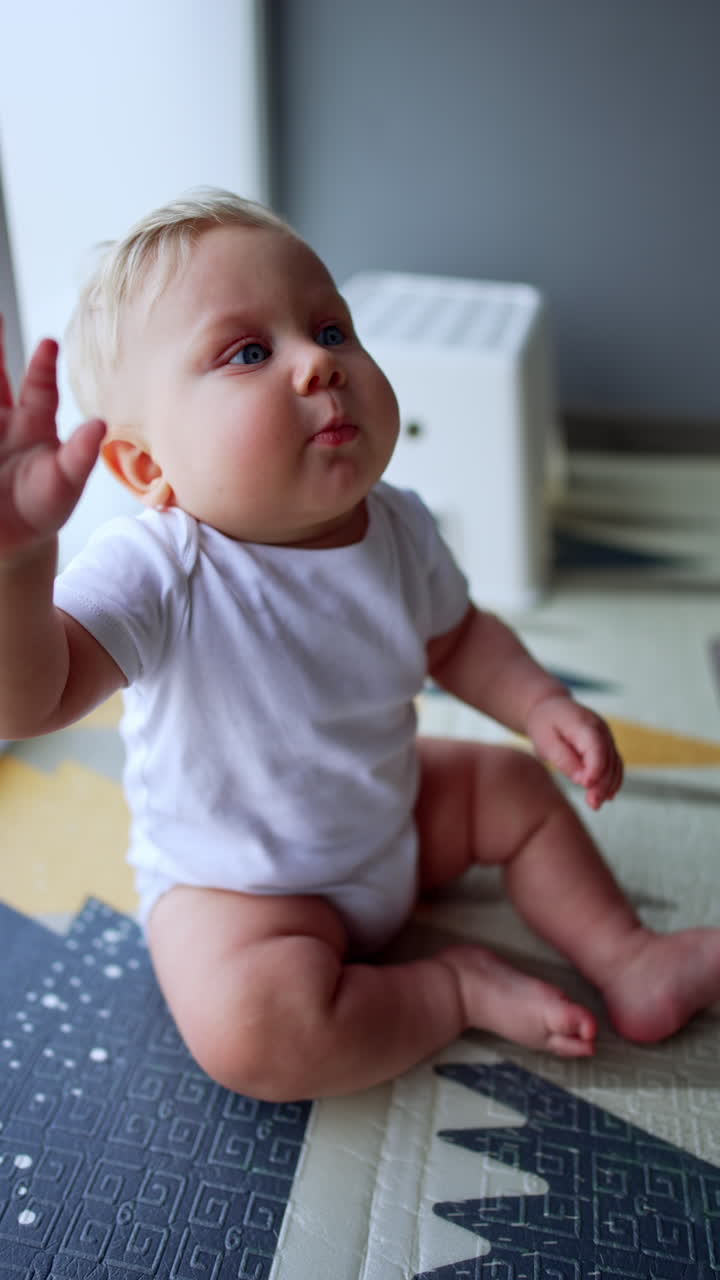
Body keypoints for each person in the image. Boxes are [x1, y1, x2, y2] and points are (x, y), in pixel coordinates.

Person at [1, 191, 719, 1102]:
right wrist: (21, 567)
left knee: (513, 787)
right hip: (240, 889)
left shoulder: (398, 526)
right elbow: (34, 697)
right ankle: (450, 989)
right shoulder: (161, 567)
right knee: (251, 1035)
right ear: (149, 469)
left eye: (332, 330)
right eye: (249, 353)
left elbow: (458, 640)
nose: (317, 366)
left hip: (395, 813)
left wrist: (540, 705)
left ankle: (629, 956)